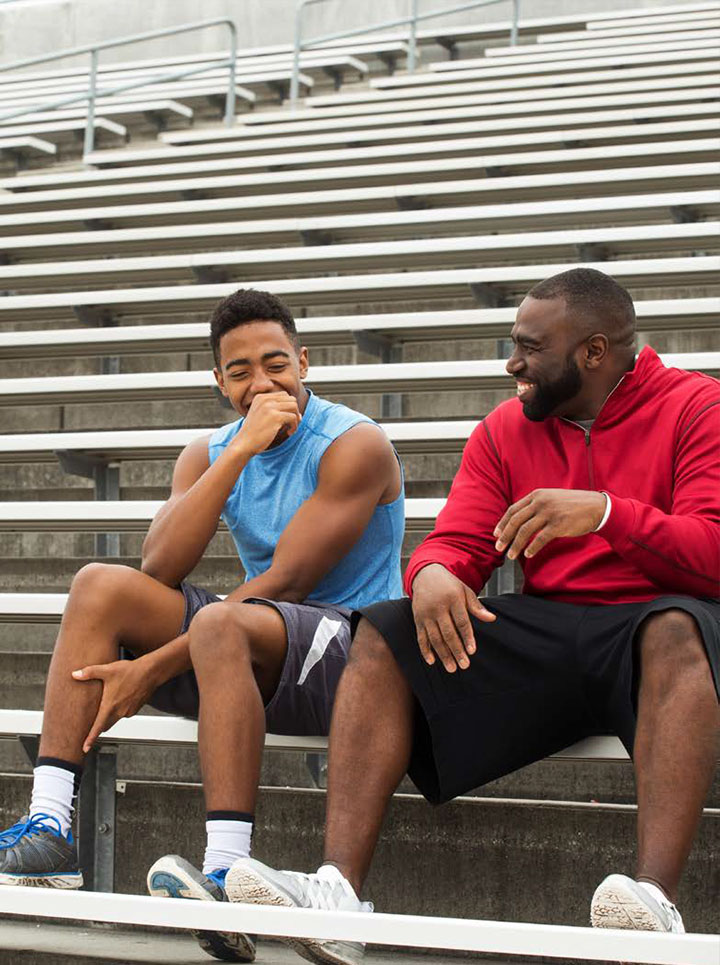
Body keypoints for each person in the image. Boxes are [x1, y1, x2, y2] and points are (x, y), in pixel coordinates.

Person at [220, 268, 720, 965]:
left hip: (657, 628)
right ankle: (336, 896)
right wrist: (429, 575)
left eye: (530, 347)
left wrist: (606, 513)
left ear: (594, 352)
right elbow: (457, 541)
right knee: (386, 628)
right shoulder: (505, 428)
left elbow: (713, 549)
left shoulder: (698, 406)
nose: (512, 362)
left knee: (675, 627)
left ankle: (655, 900)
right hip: (551, 627)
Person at [0, 289, 404, 964]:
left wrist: (153, 666)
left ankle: (226, 870)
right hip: (252, 642)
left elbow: (288, 584)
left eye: (277, 363)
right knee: (99, 586)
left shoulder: (354, 444)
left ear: (304, 362)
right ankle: (49, 825)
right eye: (240, 370)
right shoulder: (212, 451)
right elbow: (159, 563)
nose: (262, 381)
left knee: (221, 621)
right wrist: (240, 452)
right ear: (220, 383)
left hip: (356, 653)